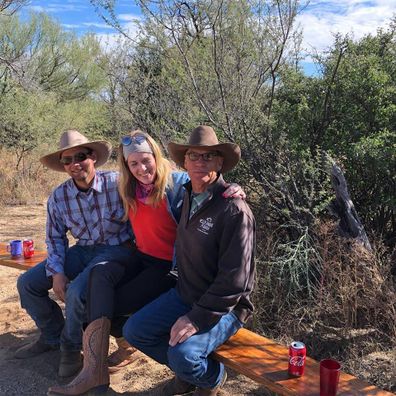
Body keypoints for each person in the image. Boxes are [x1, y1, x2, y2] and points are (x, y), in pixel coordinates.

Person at [47, 129, 246, 395]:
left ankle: (183, 370)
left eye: (146, 160)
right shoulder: (127, 189)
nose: (142, 168)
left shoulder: (176, 187)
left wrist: (231, 187)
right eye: (134, 163)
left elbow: (205, 184)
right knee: (97, 281)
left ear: (156, 157)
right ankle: (94, 372)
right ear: (127, 167)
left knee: (110, 308)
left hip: (168, 268)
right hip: (142, 257)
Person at [121, 125, 256, 396]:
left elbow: (234, 282)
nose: (200, 162)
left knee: (183, 354)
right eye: (194, 155)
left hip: (225, 308)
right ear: (184, 161)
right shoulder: (185, 194)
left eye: (208, 157)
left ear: (220, 162)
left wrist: (195, 319)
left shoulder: (233, 210)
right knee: (134, 331)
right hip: (185, 293)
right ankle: (189, 374)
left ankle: (212, 377)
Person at [15, 130, 134, 378]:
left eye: (79, 156)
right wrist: (56, 272)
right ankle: (52, 336)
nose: (73, 164)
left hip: (117, 250)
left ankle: (71, 348)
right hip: (81, 250)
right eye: (66, 160)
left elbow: (160, 179)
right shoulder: (59, 196)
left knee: (78, 290)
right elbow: (55, 237)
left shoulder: (119, 183)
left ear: (93, 157)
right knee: (27, 283)